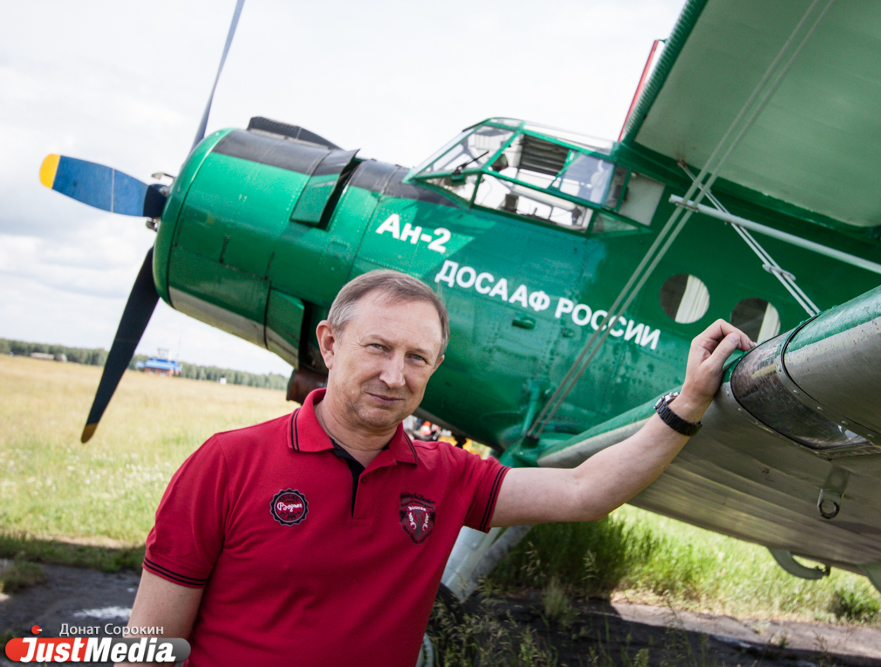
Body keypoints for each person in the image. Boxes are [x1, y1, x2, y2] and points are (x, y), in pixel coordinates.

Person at [123, 269, 753, 666]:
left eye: (417, 357)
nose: (395, 375)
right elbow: (151, 644)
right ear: (330, 343)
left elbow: (585, 490)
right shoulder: (226, 464)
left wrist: (689, 402)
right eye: (377, 347)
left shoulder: (446, 476)